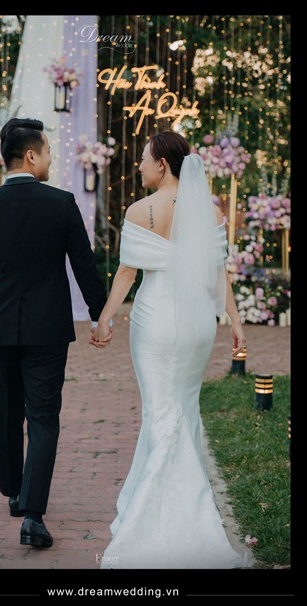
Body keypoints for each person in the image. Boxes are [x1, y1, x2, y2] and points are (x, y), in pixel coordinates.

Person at [90, 131, 250, 568]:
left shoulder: (140, 210)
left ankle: (152, 516)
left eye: (144, 159)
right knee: (183, 408)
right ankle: (185, 505)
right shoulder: (209, 211)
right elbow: (218, 272)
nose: (140, 166)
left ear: (162, 164)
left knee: (160, 410)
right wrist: (235, 321)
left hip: (155, 320)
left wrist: (104, 318)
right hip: (198, 322)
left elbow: (127, 273)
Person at [0, 117, 112, 549]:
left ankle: (14, 493)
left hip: (0, 327)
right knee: (44, 417)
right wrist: (100, 316)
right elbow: (83, 265)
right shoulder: (61, 203)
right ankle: (32, 514)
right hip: (47, 329)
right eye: (47, 152)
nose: (50, 159)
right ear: (31, 156)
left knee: (8, 411)